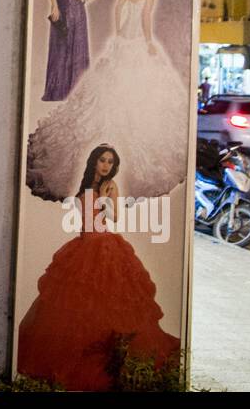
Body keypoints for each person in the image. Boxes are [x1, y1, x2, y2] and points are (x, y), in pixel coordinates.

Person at [26, 0, 190, 200]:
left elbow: (117, 8)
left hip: (123, 39)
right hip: (135, 41)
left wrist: (118, 33)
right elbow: (146, 14)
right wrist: (147, 41)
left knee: (118, 92)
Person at [16, 145, 181, 390]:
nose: (106, 165)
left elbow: (114, 218)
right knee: (75, 308)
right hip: (83, 245)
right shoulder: (83, 186)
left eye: (110, 162)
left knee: (108, 304)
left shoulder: (110, 186)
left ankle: (110, 360)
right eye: (102, 160)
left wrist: (105, 198)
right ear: (94, 161)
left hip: (104, 246)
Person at [41, 0, 103, 101]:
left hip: (76, 12)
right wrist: (54, 6)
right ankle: (58, 90)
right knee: (59, 46)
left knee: (76, 47)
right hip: (60, 10)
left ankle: (75, 91)